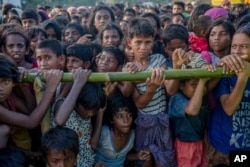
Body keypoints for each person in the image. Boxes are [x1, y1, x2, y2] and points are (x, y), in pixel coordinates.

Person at [126, 18, 177, 167]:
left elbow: (170, 90)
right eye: (138, 42)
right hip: (144, 122)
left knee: (164, 159)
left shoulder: (159, 59)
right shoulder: (128, 68)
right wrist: (151, 88)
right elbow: (139, 104)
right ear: (130, 42)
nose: (143, 47)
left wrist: (175, 67)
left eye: (147, 42)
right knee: (145, 159)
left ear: (153, 42)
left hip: (162, 120)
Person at [207, 24, 250, 167]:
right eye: (234, 46)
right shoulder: (226, 72)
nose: (237, 51)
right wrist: (242, 78)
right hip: (222, 145)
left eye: (244, 46)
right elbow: (229, 108)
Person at [0, 54, 63, 148]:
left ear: (13, 83)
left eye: (5, 82)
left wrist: (23, 84)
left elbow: (30, 112)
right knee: (4, 130)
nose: (0, 88)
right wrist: (50, 88)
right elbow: (31, 122)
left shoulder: (10, 97)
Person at [51, 69, 106, 167]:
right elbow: (59, 120)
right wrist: (78, 83)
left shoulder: (87, 116)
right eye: (87, 109)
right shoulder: (63, 106)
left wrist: (100, 113)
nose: (90, 114)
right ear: (77, 99)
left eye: (94, 110)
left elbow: (93, 145)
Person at [94, 96, 151, 167]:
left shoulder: (132, 133)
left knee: (148, 160)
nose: (126, 121)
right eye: (120, 116)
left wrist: (137, 156)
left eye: (129, 115)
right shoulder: (104, 133)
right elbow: (92, 146)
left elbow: (123, 156)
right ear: (111, 120)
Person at [168, 78, 210, 167]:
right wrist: (202, 81)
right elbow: (192, 110)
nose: (200, 88)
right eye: (194, 84)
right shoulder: (177, 99)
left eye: (202, 85)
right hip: (185, 147)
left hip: (201, 143)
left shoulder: (201, 96)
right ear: (181, 86)